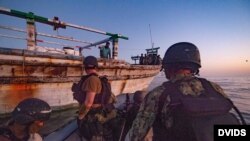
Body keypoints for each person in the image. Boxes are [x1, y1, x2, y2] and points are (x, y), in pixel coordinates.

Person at [129, 42, 241, 141]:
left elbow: (136, 134)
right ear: (194, 67)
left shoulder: (158, 94)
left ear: (168, 67)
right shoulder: (214, 88)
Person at [77, 56, 116, 141]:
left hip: (94, 114)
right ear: (96, 67)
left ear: (85, 67)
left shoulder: (92, 80)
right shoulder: (97, 78)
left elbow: (88, 102)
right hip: (100, 111)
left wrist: (80, 116)